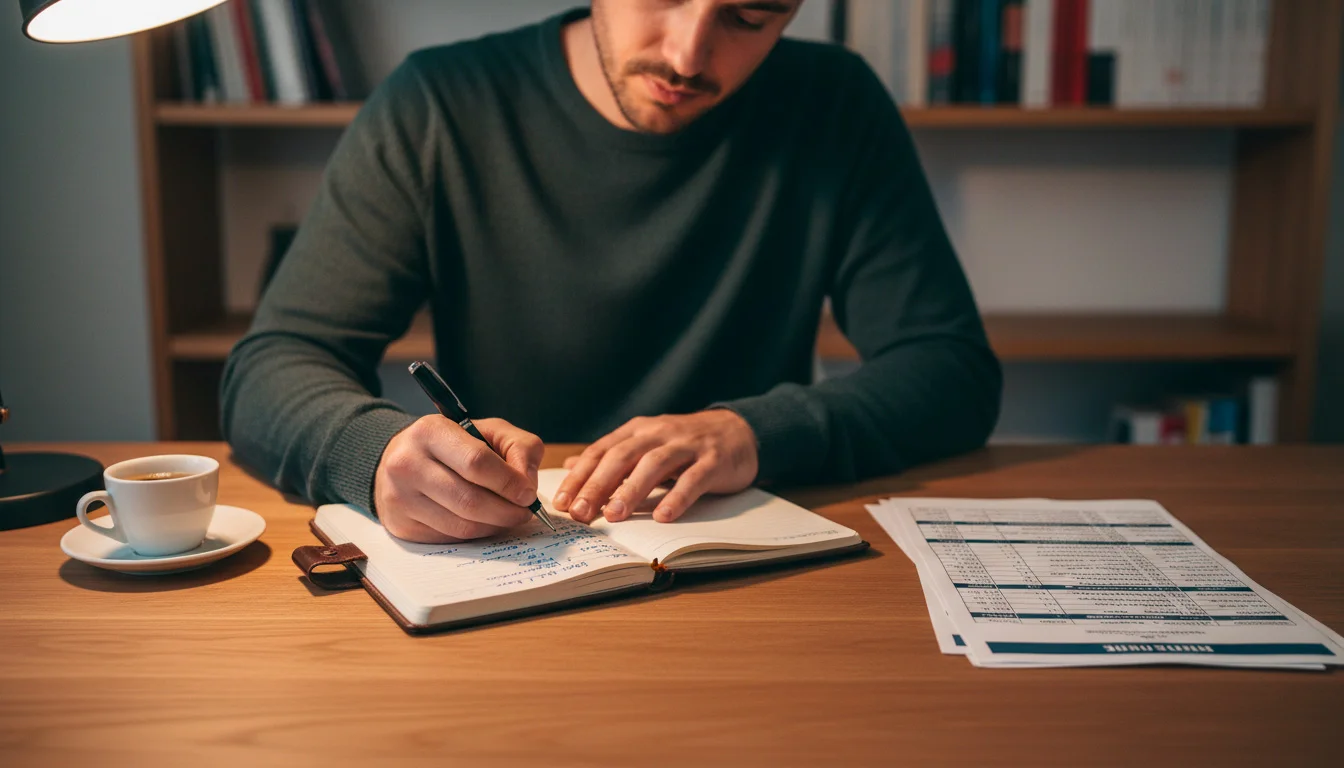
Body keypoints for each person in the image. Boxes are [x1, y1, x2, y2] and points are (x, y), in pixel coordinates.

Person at [221, 0, 1002, 544]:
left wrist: (758, 431)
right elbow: (271, 369)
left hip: (749, 564)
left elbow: (951, 371)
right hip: (506, 559)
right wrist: (377, 455)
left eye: (750, 15)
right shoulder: (439, 103)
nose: (689, 54)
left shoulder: (835, 104)